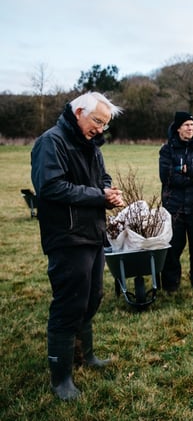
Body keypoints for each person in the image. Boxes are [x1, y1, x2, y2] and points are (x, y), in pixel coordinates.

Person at [30, 92, 125, 400]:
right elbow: (51, 186)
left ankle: (86, 355)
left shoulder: (90, 145)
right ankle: (61, 380)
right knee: (69, 303)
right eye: (97, 121)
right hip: (66, 236)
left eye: (105, 124)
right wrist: (99, 196)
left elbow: (102, 177)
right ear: (79, 111)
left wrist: (108, 191)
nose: (100, 129)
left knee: (92, 297)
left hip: (92, 233)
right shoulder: (52, 142)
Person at [159, 111, 193, 291]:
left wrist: (185, 170)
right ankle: (170, 283)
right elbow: (167, 177)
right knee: (173, 248)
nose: (190, 128)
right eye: (186, 125)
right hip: (174, 207)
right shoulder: (167, 150)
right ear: (178, 129)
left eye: (192, 125)